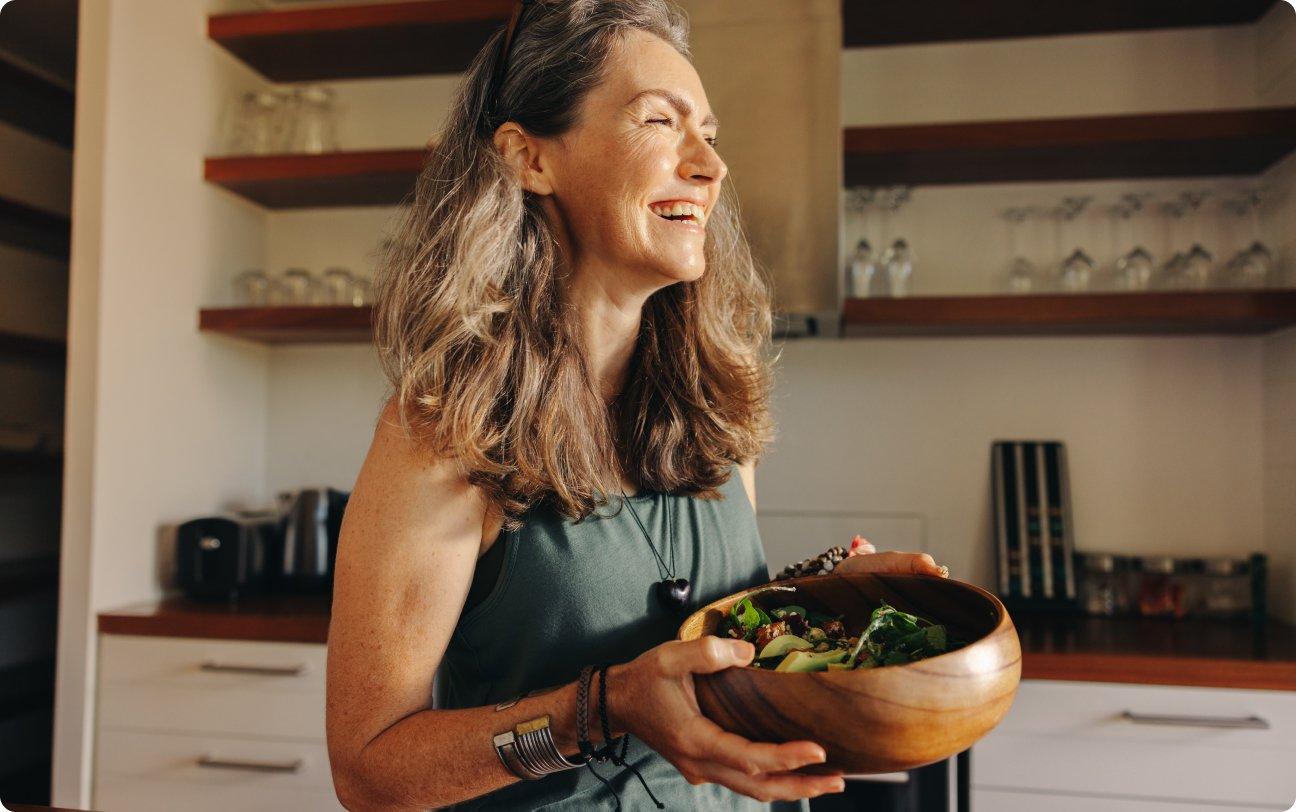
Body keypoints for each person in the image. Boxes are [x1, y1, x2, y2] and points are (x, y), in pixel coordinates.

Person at [325, 1, 947, 809]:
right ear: (530, 158)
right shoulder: (446, 432)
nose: (711, 165)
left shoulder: (714, 407)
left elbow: (713, 633)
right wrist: (603, 707)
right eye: (660, 120)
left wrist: (830, 595)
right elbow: (370, 771)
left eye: (709, 134)